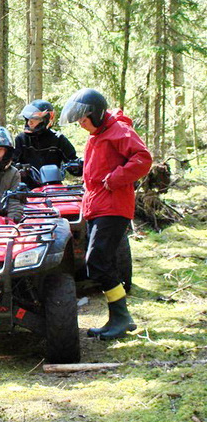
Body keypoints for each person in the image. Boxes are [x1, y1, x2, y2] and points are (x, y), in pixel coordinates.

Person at [60, 88, 152, 340]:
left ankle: (122, 318)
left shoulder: (119, 131)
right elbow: (100, 168)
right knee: (102, 262)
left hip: (113, 207)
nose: (81, 124)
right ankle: (118, 317)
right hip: (97, 206)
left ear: (97, 114)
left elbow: (143, 158)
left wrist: (115, 179)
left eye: (84, 119)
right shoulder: (97, 135)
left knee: (97, 262)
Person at [14, 99, 80, 187]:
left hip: (53, 187)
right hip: (26, 189)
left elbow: (74, 164)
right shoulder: (21, 139)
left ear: (46, 119)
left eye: (35, 118)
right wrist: (20, 169)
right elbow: (10, 164)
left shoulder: (58, 139)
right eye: (28, 118)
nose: (30, 122)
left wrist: (77, 166)